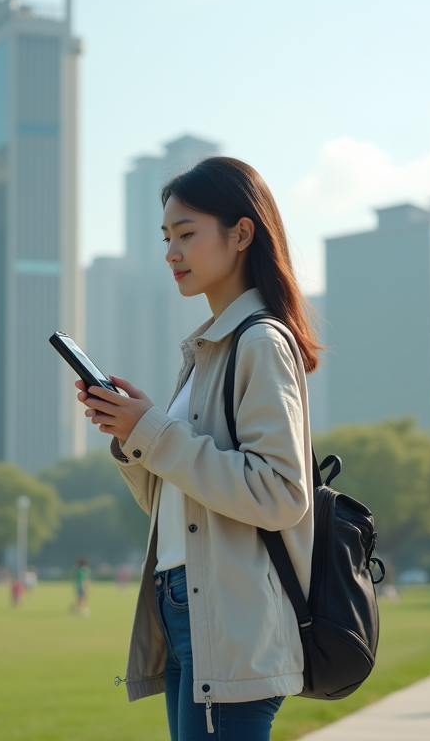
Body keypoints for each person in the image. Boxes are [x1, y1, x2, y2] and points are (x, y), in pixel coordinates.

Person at [77, 157, 320, 740]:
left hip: (228, 615)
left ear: (241, 234)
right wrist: (133, 436)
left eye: (187, 234)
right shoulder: (205, 354)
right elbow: (183, 505)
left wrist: (156, 433)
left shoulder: (259, 341)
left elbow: (281, 494)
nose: (171, 253)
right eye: (166, 237)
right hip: (184, 602)